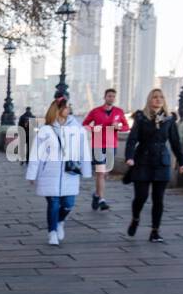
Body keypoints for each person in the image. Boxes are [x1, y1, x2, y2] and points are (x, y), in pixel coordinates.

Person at [123, 88, 183, 243]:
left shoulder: (169, 119)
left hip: (161, 162)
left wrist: (182, 161)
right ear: (150, 100)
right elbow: (132, 139)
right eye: (155, 97)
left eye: (161, 97)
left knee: (158, 199)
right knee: (141, 197)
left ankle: (155, 231)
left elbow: (175, 142)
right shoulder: (141, 117)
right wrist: (129, 157)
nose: (158, 100)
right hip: (143, 161)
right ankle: (136, 218)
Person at [26, 97, 91, 245]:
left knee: (68, 204)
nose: (70, 109)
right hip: (49, 173)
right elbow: (36, 153)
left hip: (70, 173)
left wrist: (86, 170)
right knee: (53, 203)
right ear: (59, 109)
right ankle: (52, 232)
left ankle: (60, 221)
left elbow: (84, 150)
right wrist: (32, 174)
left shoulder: (77, 128)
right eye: (67, 106)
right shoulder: (45, 130)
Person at [82, 88, 129, 211]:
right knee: (101, 173)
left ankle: (96, 195)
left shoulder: (119, 112)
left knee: (105, 173)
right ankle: (102, 200)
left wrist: (118, 127)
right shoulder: (95, 111)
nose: (111, 98)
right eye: (109, 96)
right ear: (105, 97)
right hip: (98, 144)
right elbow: (85, 124)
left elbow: (126, 127)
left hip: (111, 145)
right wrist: (94, 129)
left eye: (113, 96)